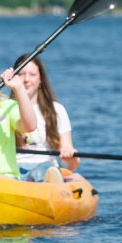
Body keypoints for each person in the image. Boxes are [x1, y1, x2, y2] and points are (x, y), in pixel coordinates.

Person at [14, 54, 78, 182]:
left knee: (42, 169)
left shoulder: (56, 110)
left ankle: (48, 179)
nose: (26, 79)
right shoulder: (5, 109)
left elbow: (71, 164)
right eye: (21, 74)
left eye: (32, 74)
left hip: (45, 171)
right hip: (15, 171)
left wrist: (70, 156)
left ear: (40, 79)